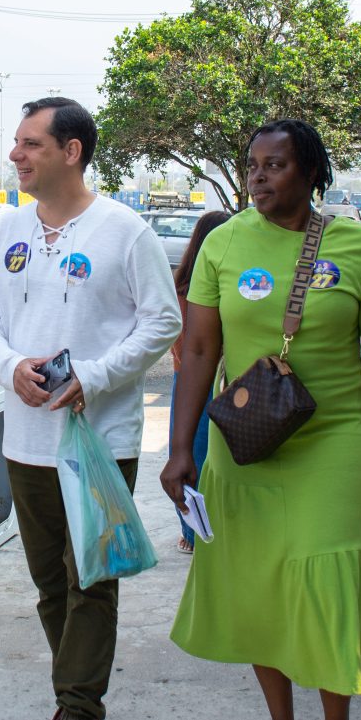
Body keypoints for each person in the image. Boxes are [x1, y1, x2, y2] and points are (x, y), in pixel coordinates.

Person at [161, 119, 361, 720]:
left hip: (337, 440)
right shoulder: (225, 242)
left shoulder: (358, 246)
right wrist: (179, 448)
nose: (259, 177)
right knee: (261, 583)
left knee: (328, 580)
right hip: (247, 444)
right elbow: (197, 352)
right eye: (253, 165)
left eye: (276, 165)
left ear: (313, 172)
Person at [0, 97, 180, 720]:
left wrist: (94, 375)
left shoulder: (125, 231)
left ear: (71, 151)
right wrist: (10, 367)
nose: (16, 155)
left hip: (100, 439)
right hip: (26, 439)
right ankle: (76, 690)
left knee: (92, 577)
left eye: (31, 144)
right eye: (16, 142)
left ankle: (77, 706)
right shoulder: (5, 231)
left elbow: (162, 321)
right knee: (50, 582)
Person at [168, 211, 230, 554]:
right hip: (215, 382)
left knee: (189, 456)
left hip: (185, 383)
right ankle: (200, 533)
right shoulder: (214, 285)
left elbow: (179, 345)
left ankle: (191, 534)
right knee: (204, 458)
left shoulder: (181, 285)